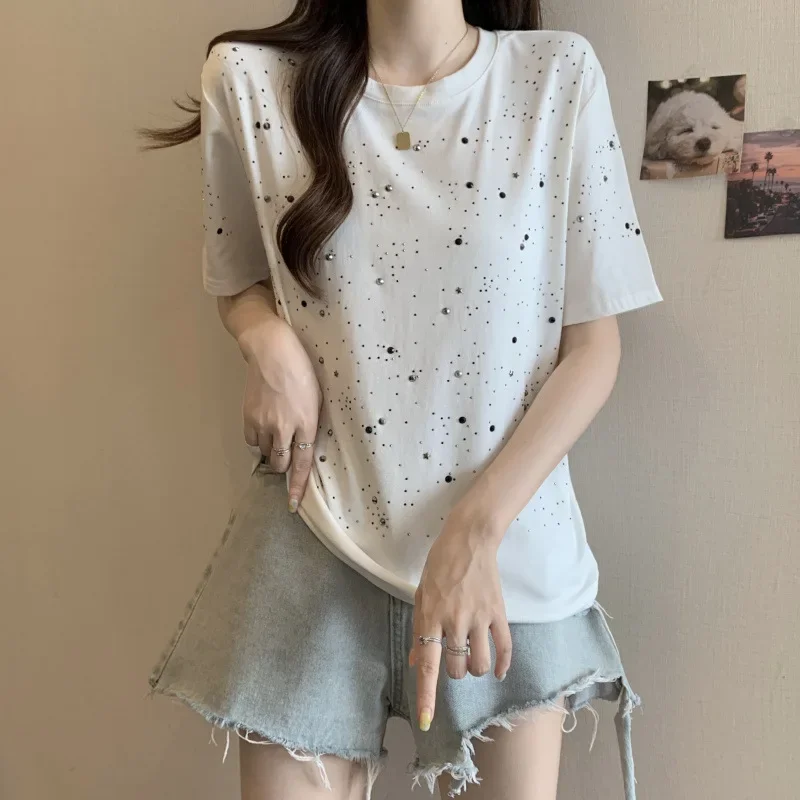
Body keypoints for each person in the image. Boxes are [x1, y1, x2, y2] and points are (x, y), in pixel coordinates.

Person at [138, 2, 662, 798]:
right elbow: (237, 277)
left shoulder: (555, 77)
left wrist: (474, 532)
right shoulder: (249, 82)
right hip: (315, 537)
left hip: (503, 558)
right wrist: (265, 341)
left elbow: (593, 349)